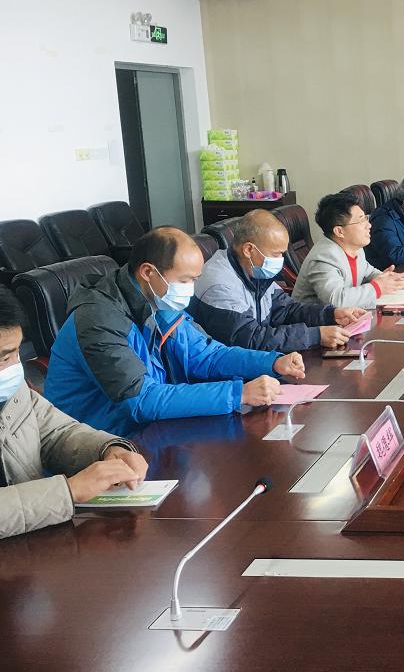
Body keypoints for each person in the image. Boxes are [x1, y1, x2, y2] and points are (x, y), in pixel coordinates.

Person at [44, 227, 305, 437]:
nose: (189, 289)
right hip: (103, 445)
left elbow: (207, 355)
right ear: (148, 272)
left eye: (194, 279)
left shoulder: (159, 302)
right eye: (184, 280)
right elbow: (142, 400)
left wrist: (272, 362)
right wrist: (239, 394)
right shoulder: (97, 321)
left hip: (154, 431)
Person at [0, 288, 149, 538]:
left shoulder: (12, 390)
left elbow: (55, 433)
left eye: (16, 352)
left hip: (34, 539)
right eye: (4, 358)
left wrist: (108, 450)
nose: (15, 366)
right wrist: (68, 492)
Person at [190, 210, 368, 352]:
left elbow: (286, 310)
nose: (281, 261)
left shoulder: (254, 270)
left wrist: (331, 314)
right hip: (229, 373)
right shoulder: (219, 285)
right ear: (249, 249)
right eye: (276, 254)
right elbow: (250, 339)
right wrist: (315, 336)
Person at [292, 192, 404, 309]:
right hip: (315, 320)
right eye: (361, 221)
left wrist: (391, 279)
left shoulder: (355, 248)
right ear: (339, 231)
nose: (369, 225)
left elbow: (369, 272)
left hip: (349, 317)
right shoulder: (324, 257)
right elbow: (336, 300)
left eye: (366, 218)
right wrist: (377, 287)